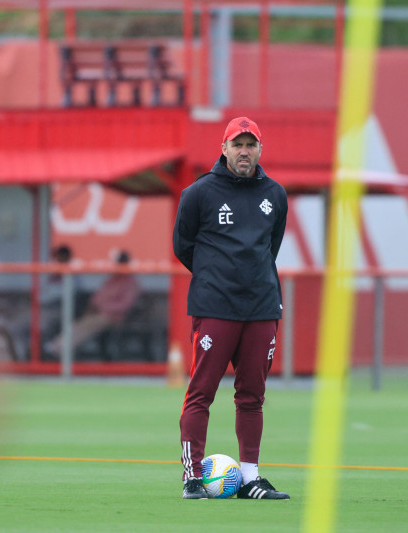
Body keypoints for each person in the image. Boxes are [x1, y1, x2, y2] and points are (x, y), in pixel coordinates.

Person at [173, 117, 289, 500]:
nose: (244, 152)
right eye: (237, 144)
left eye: (250, 145)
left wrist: (251, 281)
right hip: (215, 307)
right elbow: (183, 246)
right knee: (201, 392)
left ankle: (251, 478)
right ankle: (192, 478)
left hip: (261, 308)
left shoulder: (275, 194)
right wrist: (215, 277)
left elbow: (270, 248)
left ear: (260, 150)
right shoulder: (198, 193)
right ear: (223, 149)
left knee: (252, 396)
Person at [45, 250, 140, 356]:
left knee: (87, 325)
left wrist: (102, 308)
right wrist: (93, 306)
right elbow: (98, 296)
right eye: (119, 262)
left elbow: (124, 304)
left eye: (122, 262)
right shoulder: (112, 279)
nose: (119, 265)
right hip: (97, 313)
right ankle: (57, 347)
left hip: (113, 316)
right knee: (79, 324)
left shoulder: (131, 282)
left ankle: (60, 348)